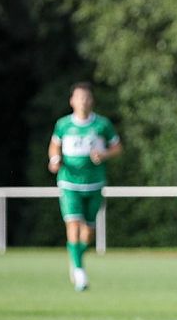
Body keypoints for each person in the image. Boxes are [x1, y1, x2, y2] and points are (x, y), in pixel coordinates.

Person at [47, 82, 122, 291]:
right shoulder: (63, 124)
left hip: (94, 183)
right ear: (72, 101)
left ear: (92, 100)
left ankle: (75, 257)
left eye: (87, 97)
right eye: (79, 97)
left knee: (88, 232)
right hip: (69, 182)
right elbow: (54, 145)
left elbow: (117, 147)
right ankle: (79, 271)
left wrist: (104, 154)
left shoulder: (102, 125)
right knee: (73, 224)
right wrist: (55, 159)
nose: (83, 101)